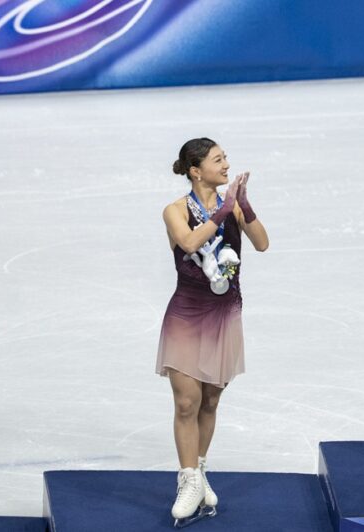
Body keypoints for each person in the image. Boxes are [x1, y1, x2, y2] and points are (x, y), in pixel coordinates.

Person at [156, 138, 269, 526]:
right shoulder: (174, 211)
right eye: (217, 160)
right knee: (186, 402)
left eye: (225, 159)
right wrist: (222, 212)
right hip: (187, 314)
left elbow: (263, 244)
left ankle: (199, 469)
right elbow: (188, 242)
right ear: (195, 169)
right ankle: (187, 479)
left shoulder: (232, 206)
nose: (225, 165)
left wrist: (245, 208)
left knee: (210, 401)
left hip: (225, 316)